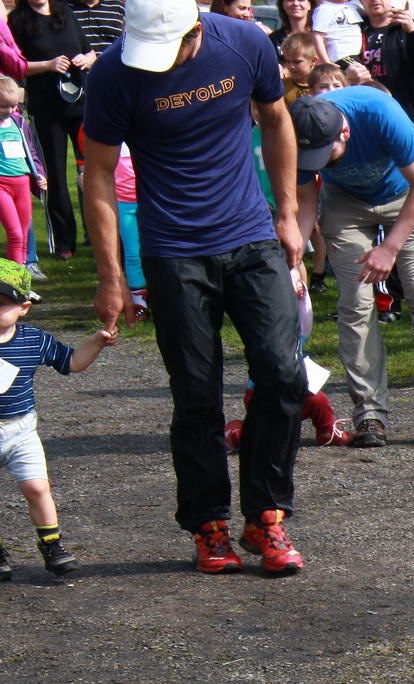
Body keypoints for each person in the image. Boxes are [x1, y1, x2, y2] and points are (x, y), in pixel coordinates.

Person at [81, 0, 311, 576]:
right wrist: (112, 277)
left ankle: (265, 517)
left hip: (250, 234)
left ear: (196, 29)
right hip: (173, 250)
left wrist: (287, 214)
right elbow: (99, 174)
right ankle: (209, 524)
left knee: (283, 373)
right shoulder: (113, 73)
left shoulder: (244, 42)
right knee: (195, 393)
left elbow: (276, 120)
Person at [292, 83, 414, 446]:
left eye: (327, 153)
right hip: (346, 204)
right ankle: (369, 415)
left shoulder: (379, 112)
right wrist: (293, 257)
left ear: (344, 131)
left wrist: (390, 248)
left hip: (407, 194)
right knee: (355, 304)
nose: (321, 162)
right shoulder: (299, 129)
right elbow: (306, 200)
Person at [0, 258, 112, 580]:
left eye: (1, 303)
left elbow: (72, 362)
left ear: (24, 307)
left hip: (21, 431)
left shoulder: (33, 340)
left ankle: (52, 545)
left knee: (37, 487)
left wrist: (97, 342)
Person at [11, 0, 91, 260]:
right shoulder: (18, 20)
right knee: (54, 176)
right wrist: (48, 65)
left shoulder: (65, 12)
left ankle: (98, 234)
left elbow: (89, 51)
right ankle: (64, 241)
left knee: (94, 172)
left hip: (81, 104)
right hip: (46, 109)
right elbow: (15, 66)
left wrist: (86, 59)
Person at [358, 0, 414, 125]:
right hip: (370, 114)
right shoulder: (355, 30)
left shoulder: (407, 26)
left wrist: (413, 31)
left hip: (410, 115)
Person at [0, 75, 46, 263]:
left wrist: (39, 174)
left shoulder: (19, 123)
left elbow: (31, 151)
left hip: (22, 183)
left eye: (13, 106)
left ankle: (20, 277)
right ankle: (14, 277)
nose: (10, 110)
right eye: (4, 106)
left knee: (24, 235)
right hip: (2, 185)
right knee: (16, 234)